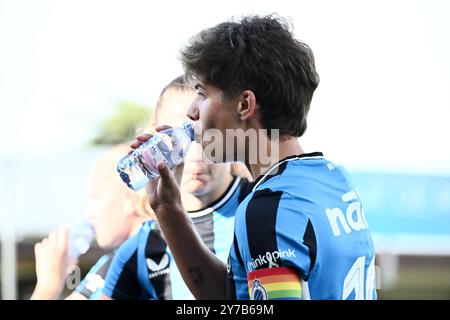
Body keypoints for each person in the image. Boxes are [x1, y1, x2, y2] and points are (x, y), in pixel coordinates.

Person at [131, 15, 377, 300]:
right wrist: (168, 208)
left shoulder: (267, 210)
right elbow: (234, 297)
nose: (191, 112)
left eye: (202, 93)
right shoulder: (333, 179)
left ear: (245, 104)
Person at [101, 76, 252, 299]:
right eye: (175, 135)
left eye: (205, 133)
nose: (194, 154)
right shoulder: (143, 246)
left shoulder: (263, 208)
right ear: (155, 136)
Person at [30, 145, 152, 300]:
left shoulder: (139, 256)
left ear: (128, 197)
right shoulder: (111, 262)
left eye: (96, 198)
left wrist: (48, 285)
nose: (90, 213)